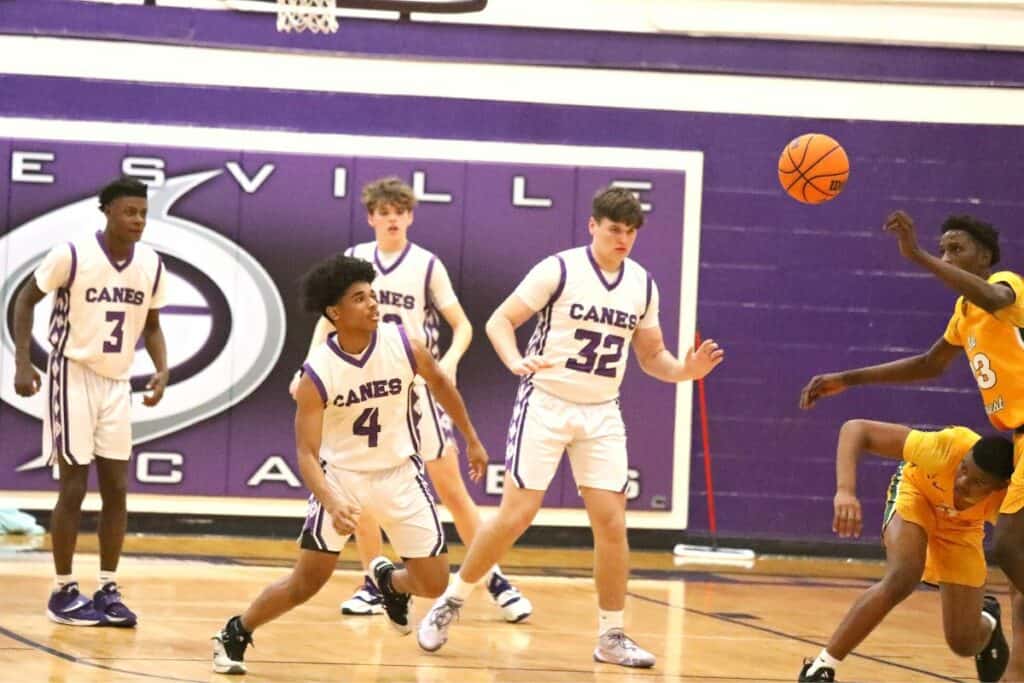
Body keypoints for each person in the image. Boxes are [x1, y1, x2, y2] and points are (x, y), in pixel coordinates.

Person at [415, 186, 724, 667]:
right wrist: (516, 360)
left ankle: (612, 635)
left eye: (631, 232)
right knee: (516, 516)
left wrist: (686, 371)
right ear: (593, 226)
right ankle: (451, 601)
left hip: (601, 412)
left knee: (612, 522)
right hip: (546, 402)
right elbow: (500, 321)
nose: (623, 239)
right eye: (614, 229)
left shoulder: (642, 284)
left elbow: (652, 357)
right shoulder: (558, 269)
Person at [213, 254, 490, 675]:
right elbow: (306, 454)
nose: (373, 304)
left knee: (434, 583)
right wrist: (332, 500)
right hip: (341, 479)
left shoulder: (406, 345)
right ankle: (236, 630)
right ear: (335, 312)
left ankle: (389, 584)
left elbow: (442, 386)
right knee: (306, 583)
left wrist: (470, 438)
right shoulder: (318, 372)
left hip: (400, 474)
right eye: (360, 298)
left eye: (373, 295)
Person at [293, 177, 531, 622]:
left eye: (399, 210)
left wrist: (452, 361)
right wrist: (307, 366)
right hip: (361, 386)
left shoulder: (426, 264)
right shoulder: (355, 260)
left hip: (412, 386)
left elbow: (462, 325)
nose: (392, 218)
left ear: (410, 216)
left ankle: (493, 577)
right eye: (383, 211)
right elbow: (325, 326)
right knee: (361, 488)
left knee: (453, 489)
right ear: (371, 217)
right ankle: (372, 579)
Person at [800, 211, 1024, 678]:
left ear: (984, 255)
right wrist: (849, 378)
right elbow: (928, 364)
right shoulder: (964, 316)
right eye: (941, 249)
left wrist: (918, 255)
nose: (947, 257)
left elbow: (993, 294)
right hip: (1018, 439)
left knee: (1006, 546)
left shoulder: (1006, 286)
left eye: (956, 249)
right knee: (1010, 554)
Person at [12, 177, 169, 627]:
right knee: (75, 486)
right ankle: (62, 589)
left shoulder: (152, 264)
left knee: (117, 489)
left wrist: (161, 368)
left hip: (118, 383)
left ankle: (107, 587)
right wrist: (25, 364)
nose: (138, 219)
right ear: (107, 212)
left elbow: (152, 325)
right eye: (129, 211)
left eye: (142, 212)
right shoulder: (72, 254)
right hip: (71, 375)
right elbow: (25, 300)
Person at [797, 419, 1011, 682]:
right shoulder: (944, 448)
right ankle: (821, 667)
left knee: (963, 643)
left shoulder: (1010, 500)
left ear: (999, 488)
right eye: (963, 469)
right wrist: (845, 491)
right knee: (904, 574)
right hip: (917, 494)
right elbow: (856, 429)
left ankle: (987, 618)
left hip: (964, 528)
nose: (962, 482)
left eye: (977, 482)